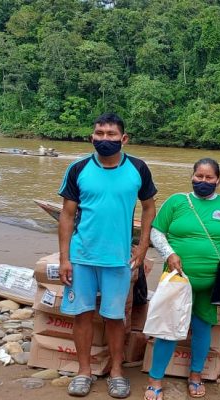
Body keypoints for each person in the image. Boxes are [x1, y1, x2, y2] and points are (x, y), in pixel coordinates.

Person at [58, 113, 157, 398]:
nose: (104, 139)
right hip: (82, 257)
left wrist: (142, 246)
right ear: (92, 137)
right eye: (99, 133)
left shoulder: (138, 168)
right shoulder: (78, 169)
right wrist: (64, 258)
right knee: (82, 315)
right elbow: (66, 215)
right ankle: (84, 372)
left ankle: (116, 372)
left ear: (123, 139)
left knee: (115, 317)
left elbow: (149, 208)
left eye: (111, 134)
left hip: (118, 259)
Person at [145, 158, 220, 400]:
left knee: (203, 327)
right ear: (192, 177)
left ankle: (196, 376)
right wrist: (170, 254)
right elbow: (156, 231)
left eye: (209, 177)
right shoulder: (177, 202)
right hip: (177, 279)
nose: (203, 181)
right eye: (199, 176)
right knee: (168, 329)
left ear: (218, 180)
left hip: (213, 282)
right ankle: (154, 379)